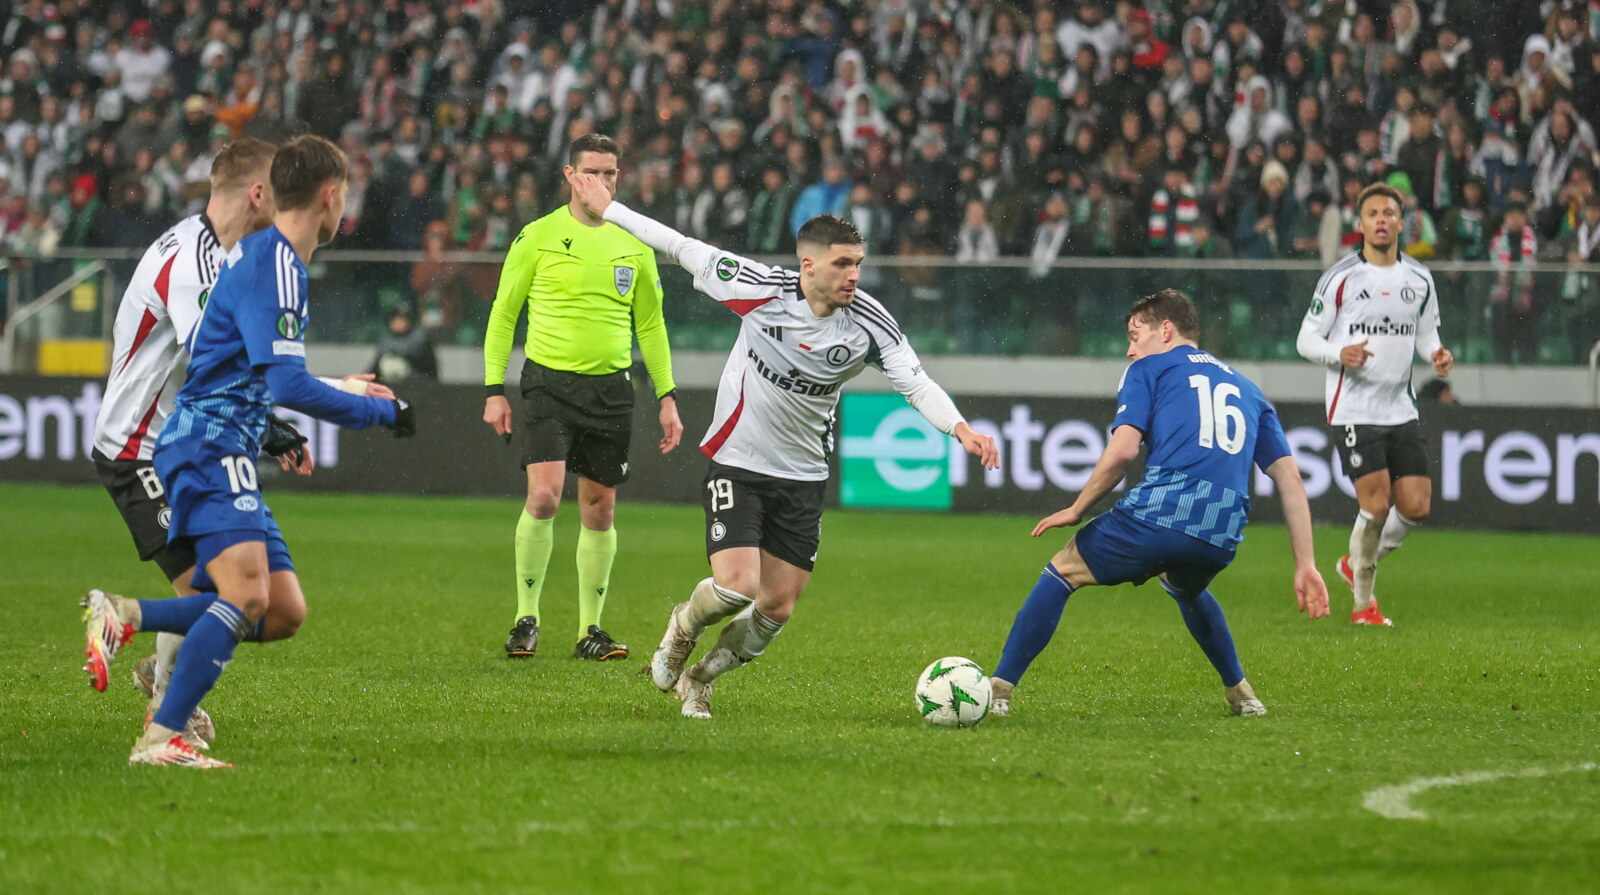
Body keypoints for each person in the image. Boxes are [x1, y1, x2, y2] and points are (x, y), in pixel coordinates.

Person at [568, 172, 1001, 719]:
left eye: (859, 264)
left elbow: (914, 381)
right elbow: (678, 247)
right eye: (843, 264)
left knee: (776, 608)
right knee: (737, 586)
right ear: (808, 265)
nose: (854, 276)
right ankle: (682, 625)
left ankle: (699, 680)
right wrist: (610, 209)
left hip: (803, 475)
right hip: (739, 461)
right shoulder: (759, 288)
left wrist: (960, 428)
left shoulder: (869, 322)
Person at [79, 135, 416, 768]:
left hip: (192, 435)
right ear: (260, 193)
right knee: (218, 588)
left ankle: (152, 660)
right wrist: (325, 405)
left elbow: (237, 367)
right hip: (142, 447)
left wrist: (271, 427)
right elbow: (225, 359)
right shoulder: (198, 262)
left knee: (265, 604)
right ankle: (163, 715)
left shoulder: (231, 252)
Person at [988, 290, 1329, 719]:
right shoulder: (1249, 389)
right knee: (1184, 585)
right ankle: (1242, 693)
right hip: (1222, 530)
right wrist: (1306, 563)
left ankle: (998, 690)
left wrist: (1078, 509)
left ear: (1165, 330)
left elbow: (1124, 450)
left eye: (1135, 335)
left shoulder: (1148, 368)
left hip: (1164, 511)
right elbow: (1290, 477)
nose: (1130, 349)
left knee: (1063, 569)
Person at [482, 133, 681, 661]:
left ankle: (589, 631)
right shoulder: (538, 236)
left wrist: (667, 396)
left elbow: (652, 324)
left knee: (600, 508)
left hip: (612, 390)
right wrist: (493, 389)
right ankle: (527, 618)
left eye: (611, 173)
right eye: (592, 172)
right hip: (548, 382)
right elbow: (504, 313)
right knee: (544, 496)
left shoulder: (634, 242)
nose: (603, 182)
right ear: (570, 176)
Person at [1296, 183, 1454, 627]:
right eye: (1372, 214)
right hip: (1354, 408)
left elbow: (1426, 335)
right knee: (1378, 505)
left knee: (1417, 506)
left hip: (1400, 408)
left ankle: (1354, 562)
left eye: (1388, 213)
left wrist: (1437, 354)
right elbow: (1306, 338)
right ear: (1361, 224)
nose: (1381, 220)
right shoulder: (1341, 278)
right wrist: (1337, 354)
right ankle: (1364, 604)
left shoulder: (1419, 279)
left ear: (1401, 223)